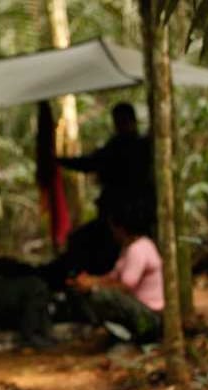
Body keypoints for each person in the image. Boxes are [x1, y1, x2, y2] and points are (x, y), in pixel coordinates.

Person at [42, 102, 156, 289]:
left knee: (88, 245)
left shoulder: (130, 146)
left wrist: (59, 161)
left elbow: (89, 163)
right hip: (124, 217)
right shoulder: (134, 145)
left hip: (128, 216)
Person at [67, 201, 164, 344]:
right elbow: (112, 277)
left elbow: (126, 286)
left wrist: (93, 286)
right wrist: (89, 280)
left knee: (99, 296)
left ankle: (135, 335)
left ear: (121, 228)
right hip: (141, 310)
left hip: (149, 315)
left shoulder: (137, 249)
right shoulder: (129, 247)